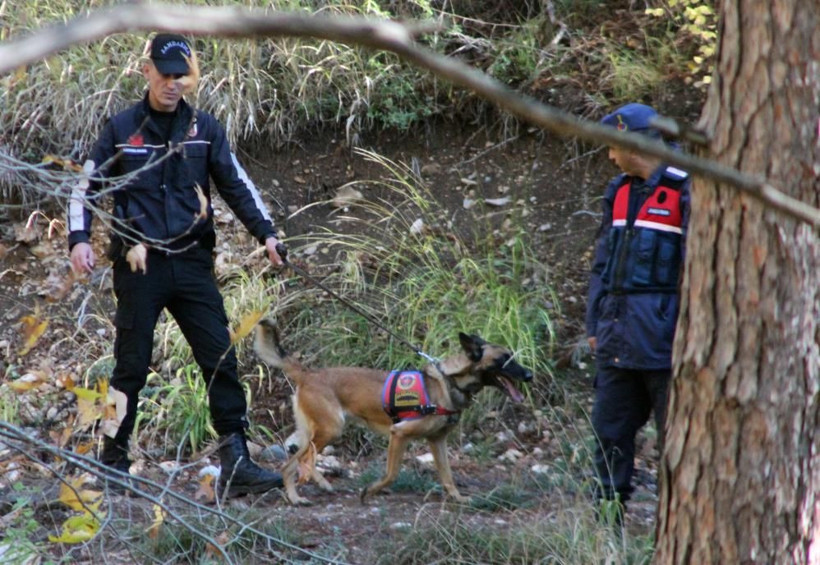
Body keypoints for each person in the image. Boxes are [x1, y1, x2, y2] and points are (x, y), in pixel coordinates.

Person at [68, 33, 285, 496]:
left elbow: (236, 183)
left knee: (220, 358)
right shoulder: (121, 127)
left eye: (180, 75)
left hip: (191, 264)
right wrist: (79, 239)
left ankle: (238, 464)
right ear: (146, 71)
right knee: (131, 366)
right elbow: (85, 187)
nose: (172, 83)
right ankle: (112, 466)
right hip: (138, 264)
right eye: (164, 74)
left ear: (190, 76)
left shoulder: (204, 128)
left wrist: (266, 233)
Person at [585, 103, 691, 521]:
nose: (610, 156)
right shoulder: (619, 192)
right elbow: (601, 265)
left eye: (614, 146)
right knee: (608, 434)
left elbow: (701, 273)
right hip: (615, 341)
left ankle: (678, 526)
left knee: (677, 442)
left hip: (667, 346)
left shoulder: (688, 189)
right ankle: (608, 524)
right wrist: (594, 323)